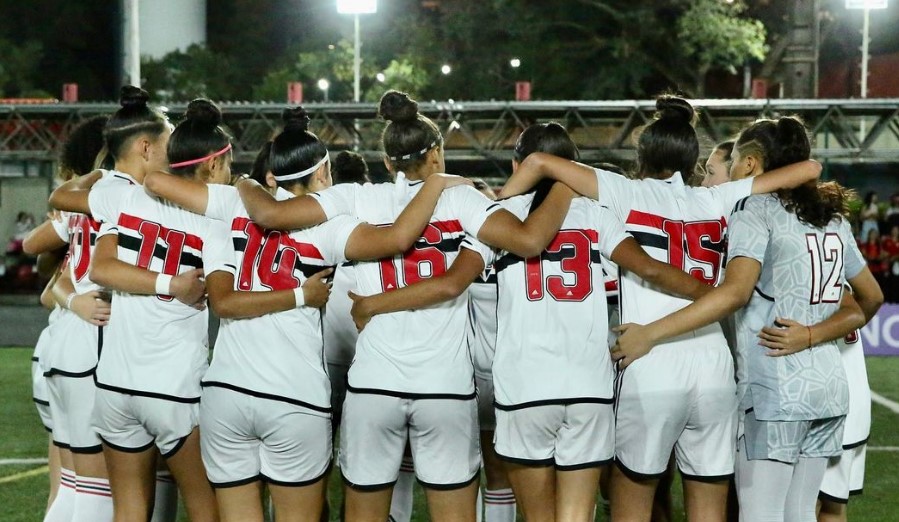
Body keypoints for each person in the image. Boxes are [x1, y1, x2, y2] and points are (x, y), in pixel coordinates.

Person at [348, 120, 718, 522]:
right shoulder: (596, 215)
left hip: (524, 387)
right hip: (587, 386)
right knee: (577, 516)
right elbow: (652, 269)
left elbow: (452, 282)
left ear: (515, 165)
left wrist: (372, 304)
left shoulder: (498, 217)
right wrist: (713, 295)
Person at [497, 96, 825, 522]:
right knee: (708, 507)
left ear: (642, 154)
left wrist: (504, 197)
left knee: (634, 503)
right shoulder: (716, 199)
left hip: (650, 362)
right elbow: (810, 169)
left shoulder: (623, 190)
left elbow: (540, 160)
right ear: (692, 160)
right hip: (713, 367)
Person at [143, 105, 471, 522]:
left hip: (225, 392)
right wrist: (436, 184)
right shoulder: (332, 228)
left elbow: (155, 180)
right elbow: (401, 237)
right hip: (292, 394)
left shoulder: (232, 203)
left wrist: (243, 183)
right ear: (322, 173)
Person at [612, 116, 883, 522]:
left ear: (753, 164)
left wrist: (651, 334)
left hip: (776, 388)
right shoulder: (831, 220)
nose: (731, 171)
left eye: (735, 160)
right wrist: (813, 334)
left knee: (762, 515)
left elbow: (735, 294)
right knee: (800, 514)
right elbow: (870, 297)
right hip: (827, 389)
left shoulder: (756, 210)